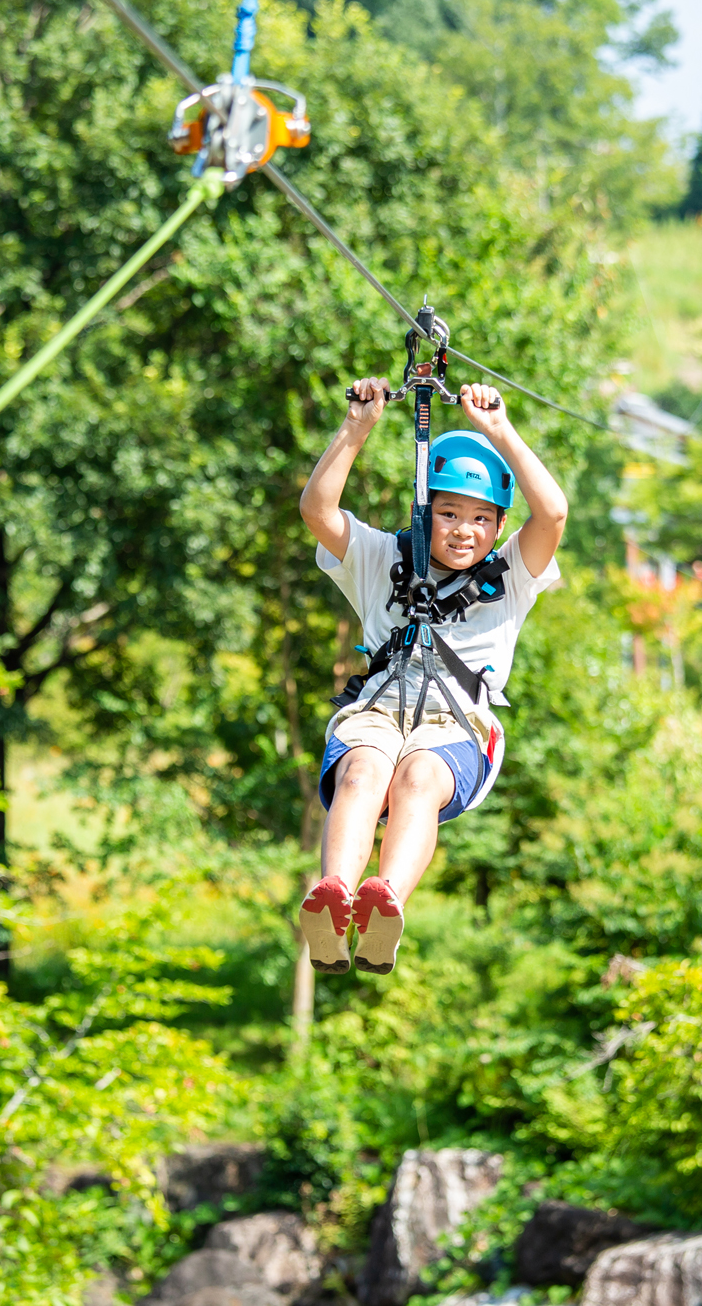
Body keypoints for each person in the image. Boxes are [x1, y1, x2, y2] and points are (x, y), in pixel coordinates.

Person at [296, 378, 567, 975]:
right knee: (363, 771)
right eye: (447, 513)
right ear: (424, 515)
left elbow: (553, 512)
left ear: (498, 527)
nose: (463, 529)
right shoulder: (378, 557)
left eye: (479, 518)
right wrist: (356, 427)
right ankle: (333, 896)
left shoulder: (512, 577)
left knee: (418, 779)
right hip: (376, 711)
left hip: (458, 726)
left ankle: (384, 902)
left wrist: (499, 429)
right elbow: (317, 509)